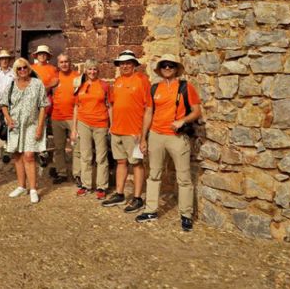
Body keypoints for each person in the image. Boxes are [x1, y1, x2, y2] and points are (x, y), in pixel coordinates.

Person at [135, 54, 202, 232]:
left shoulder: (185, 87)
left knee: (184, 178)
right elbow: (148, 113)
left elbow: (196, 111)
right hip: (156, 135)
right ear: (160, 68)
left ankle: (186, 215)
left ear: (176, 68)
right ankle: (150, 210)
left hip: (176, 137)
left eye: (170, 65)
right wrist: (143, 138)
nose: (167, 68)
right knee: (154, 174)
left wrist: (183, 121)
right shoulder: (154, 88)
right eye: (164, 65)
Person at [102, 50, 151, 213]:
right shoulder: (117, 81)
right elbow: (112, 105)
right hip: (117, 131)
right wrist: (112, 125)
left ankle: (137, 198)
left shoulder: (142, 80)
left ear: (134, 64)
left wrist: (143, 134)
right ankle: (120, 193)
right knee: (121, 162)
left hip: (134, 132)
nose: (125, 66)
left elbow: (148, 108)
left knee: (136, 163)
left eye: (128, 62)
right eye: (122, 63)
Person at [0, 58, 48, 203]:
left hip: (32, 124)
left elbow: (43, 106)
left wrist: (40, 127)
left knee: (29, 155)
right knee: (17, 155)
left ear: (29, 68)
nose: (22, 70)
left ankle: (33, 188)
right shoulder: (11, 85)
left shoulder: (37, 84)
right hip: (15, 125)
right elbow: (3, 103)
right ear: (15, 70)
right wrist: (8, 118)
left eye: (24, 67)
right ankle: (21, 186)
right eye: (19, 68)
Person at [70, 59, 111, 200]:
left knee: (101, 156)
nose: (92, 72)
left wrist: (111, 126)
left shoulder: (104, 85)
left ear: (97, 71)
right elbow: (76, 107)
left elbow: (109, 105)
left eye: (94, 69)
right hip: (84, 123)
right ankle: (86, 184)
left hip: (100, 123)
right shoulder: (80, 85)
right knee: (85, 155)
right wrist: (74, 128)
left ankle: (102, 186)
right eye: (89, 69)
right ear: (85, 71)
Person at [50, 53, 80, 185]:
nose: (64, 64)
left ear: (70, 62)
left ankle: (77, 174)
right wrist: (51, 85)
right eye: (61, 62)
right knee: (59, 147)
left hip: (73, 117)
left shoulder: (77, 77)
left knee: (77, 147)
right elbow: (43, 91)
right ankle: (61, 172)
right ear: (58, 64)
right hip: (57, 117)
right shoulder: (55, 77)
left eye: (66, 61)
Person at [30, 45, 58, 169]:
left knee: (44, 123)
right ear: (36, 55)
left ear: (47, 56)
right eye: (40, 53)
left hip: (46, 98)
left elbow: (55, 82)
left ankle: (42, 150)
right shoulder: (31, 68)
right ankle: (32, 147)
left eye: (44, 54)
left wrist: (44, 89)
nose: (42, 56)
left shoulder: (52, 69)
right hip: (33, 99)